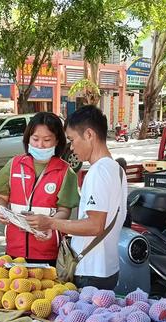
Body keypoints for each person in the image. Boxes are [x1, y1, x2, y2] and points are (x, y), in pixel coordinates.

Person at [26, 105, 128, 289]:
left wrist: (50, 223)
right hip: (108, 269)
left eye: (72, 140)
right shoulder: (117, 169)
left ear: (89, 134)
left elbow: (95, 225)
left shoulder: (98, 172)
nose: (71, 148)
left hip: (91, 272)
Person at [0, 111, 80, 265]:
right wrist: (0, 210)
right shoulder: (14, 165)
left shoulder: (66, 172)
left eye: (47, 140)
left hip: (48, 250)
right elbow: (1, 197)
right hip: (14, 249)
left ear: (57, 141)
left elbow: (65, 210)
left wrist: (49, 224)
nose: (40, 145)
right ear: (28, 139)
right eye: (35, 139)